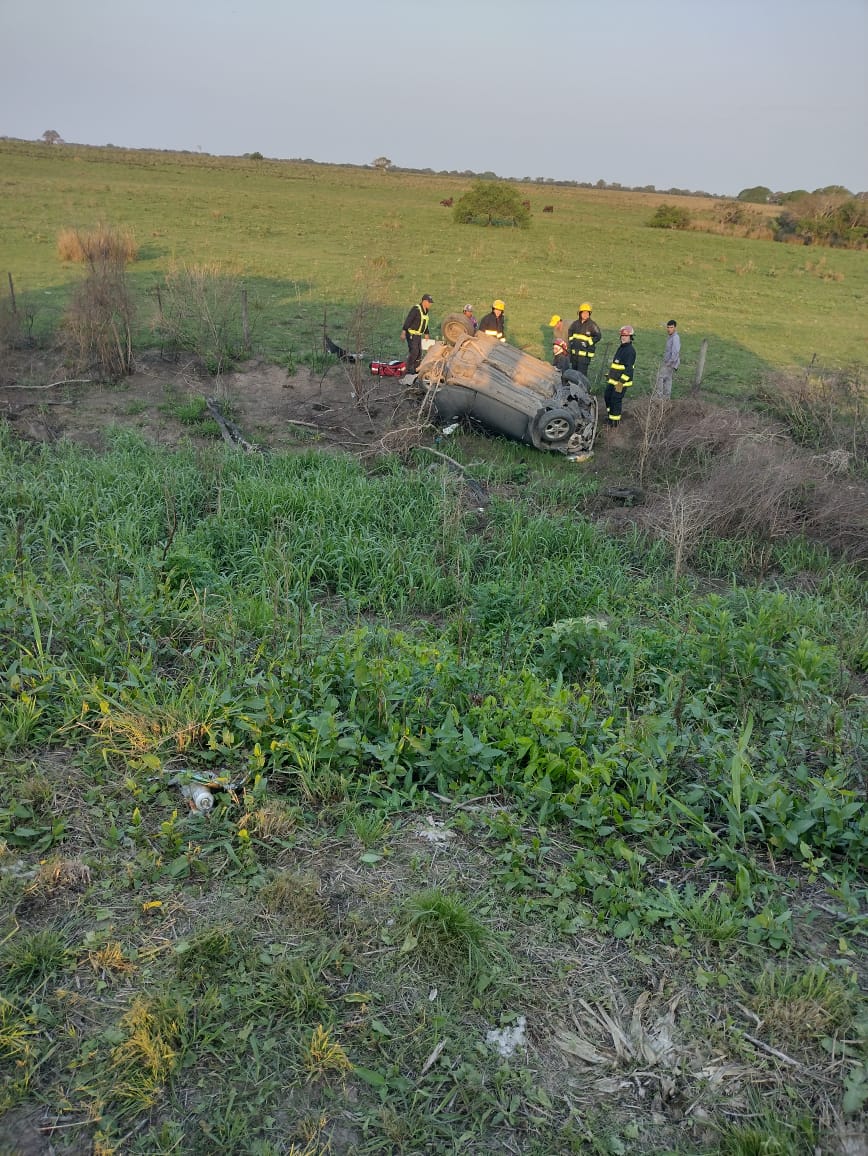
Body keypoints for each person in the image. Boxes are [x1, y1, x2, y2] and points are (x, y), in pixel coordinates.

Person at [604, 326, 636, 428]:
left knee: (615, 400)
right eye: (622, 335)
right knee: (607, 396)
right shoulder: (622, 347)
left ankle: (614, 423)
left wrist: (621, 382)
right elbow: (617, 366)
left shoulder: (630, 351)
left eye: (626, 336)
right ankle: (610, 416)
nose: (623, 337)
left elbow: (628, 369)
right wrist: (610, 375)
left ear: (630, 337)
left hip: (620, 382)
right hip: (614, 380)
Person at [568, 303, 602, 380]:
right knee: (573, 375)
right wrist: (572, 341)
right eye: (584, 312)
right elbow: (570, 331)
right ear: (580, 313)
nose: (585, 314)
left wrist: (587, 343)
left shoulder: (592, 325)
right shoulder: (575, 324)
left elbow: (598, 336)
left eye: (587, 313)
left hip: (584, 356)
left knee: (581, 376)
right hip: (575, 355)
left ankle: (582, 391)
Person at [401, 294, 433, 374]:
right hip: (411, 334)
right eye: (429, 302)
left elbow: (424, 323)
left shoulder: (426, 311)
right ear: (424, 301)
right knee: (414, 351)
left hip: (418, 335)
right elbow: (408, 320)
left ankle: (415, 370)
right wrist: (404, 332)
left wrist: (426, 333)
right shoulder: (416, 309)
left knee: (419, 353)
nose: (430, 304)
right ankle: (407, 369)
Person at [653, 319, 680, 399]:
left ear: (675, 328)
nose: (669, 329)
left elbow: (675, 352)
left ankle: (659, 396)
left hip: (670, 362)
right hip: (669, 362)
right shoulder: (671, 337)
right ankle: (666, 398)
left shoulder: (675, 338)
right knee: (668, 379)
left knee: (659, 376)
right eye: (668, 327)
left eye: (671, 327)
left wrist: (669, 363)